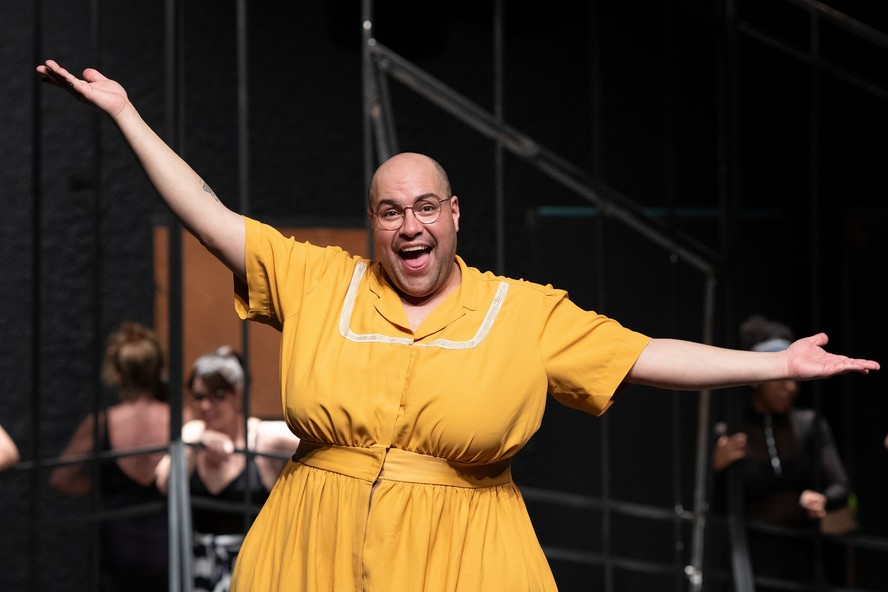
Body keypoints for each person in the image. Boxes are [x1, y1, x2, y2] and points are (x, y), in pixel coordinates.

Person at [35, 60, 879, 592]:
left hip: (461, 556)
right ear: (373, 223)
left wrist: (778, 364)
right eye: (391, 210)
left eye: (427, 206)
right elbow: (209, 214)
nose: (410, 225)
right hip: (310, 547)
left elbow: (646, 355)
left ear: (454, 216)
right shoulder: (318, 279)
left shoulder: (523, 311)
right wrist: (124, 115)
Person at [712, 315, 853, 590]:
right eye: (782, 379)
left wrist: (822, 498)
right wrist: (716, 469)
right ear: (758, 379)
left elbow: (842, 486)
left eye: (794, 379)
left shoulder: (808, 424)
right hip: (751, 562)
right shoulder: (731, 429)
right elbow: (716, 507)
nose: (792, 387)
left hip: (802, 558)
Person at [50, 321, 188, 592]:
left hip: (117, 547)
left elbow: (61, 478)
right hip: (170, 545)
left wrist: (107, 485)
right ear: (158, 369)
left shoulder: (102, 423)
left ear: (117, 374)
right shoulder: (181, 419)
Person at [155, 346, 301, 592]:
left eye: (218, 395)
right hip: (199, 569)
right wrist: (196, 439)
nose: (206, 406)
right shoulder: (193, 435)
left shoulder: (262, 437)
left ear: (237, 394)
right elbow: (163, 482)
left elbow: (317, 438)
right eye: (199, 396)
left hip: (254, 566)